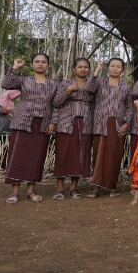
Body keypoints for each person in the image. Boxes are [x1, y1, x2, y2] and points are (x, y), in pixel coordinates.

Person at [3, 54, 58, 204]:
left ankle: (30, 191)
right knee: (17, 155)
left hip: (43, 123)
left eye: (43, 62)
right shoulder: (24, 80)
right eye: (37, 62)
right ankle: (14, 192)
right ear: (32, 64)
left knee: (36, 157)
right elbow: (6, 83)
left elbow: (56, 105)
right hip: (22, 121)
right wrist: (15, 67)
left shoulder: (54, 83)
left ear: (47, 65)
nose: (40, 64)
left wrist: (53, 122)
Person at [51, 58, 97, 200]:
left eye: (86, 67)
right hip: (66, 123)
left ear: (89, 69)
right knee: (63, 154)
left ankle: (73, 188)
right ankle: (59, 189)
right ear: (74, 69)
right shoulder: (65, 83)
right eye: (80, 67)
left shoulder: (93, 85)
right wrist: (68, 90)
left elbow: (96, 105)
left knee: (80, 155)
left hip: (85, 124)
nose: (83, 69)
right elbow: (56, 102)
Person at [87, 58, 133, 198]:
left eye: (118, 66)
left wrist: (126, 124)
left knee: (115, 156)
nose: (115, 68)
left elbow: (130, 107)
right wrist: (96, 71)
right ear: (108, 68)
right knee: (98, 156)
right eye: (112, 66)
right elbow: (88, 89)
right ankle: (96, 188)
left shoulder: (125, 86)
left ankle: (112, 187)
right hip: (100, 123)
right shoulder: (100, 82)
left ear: (122, 70)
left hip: (118, 125)